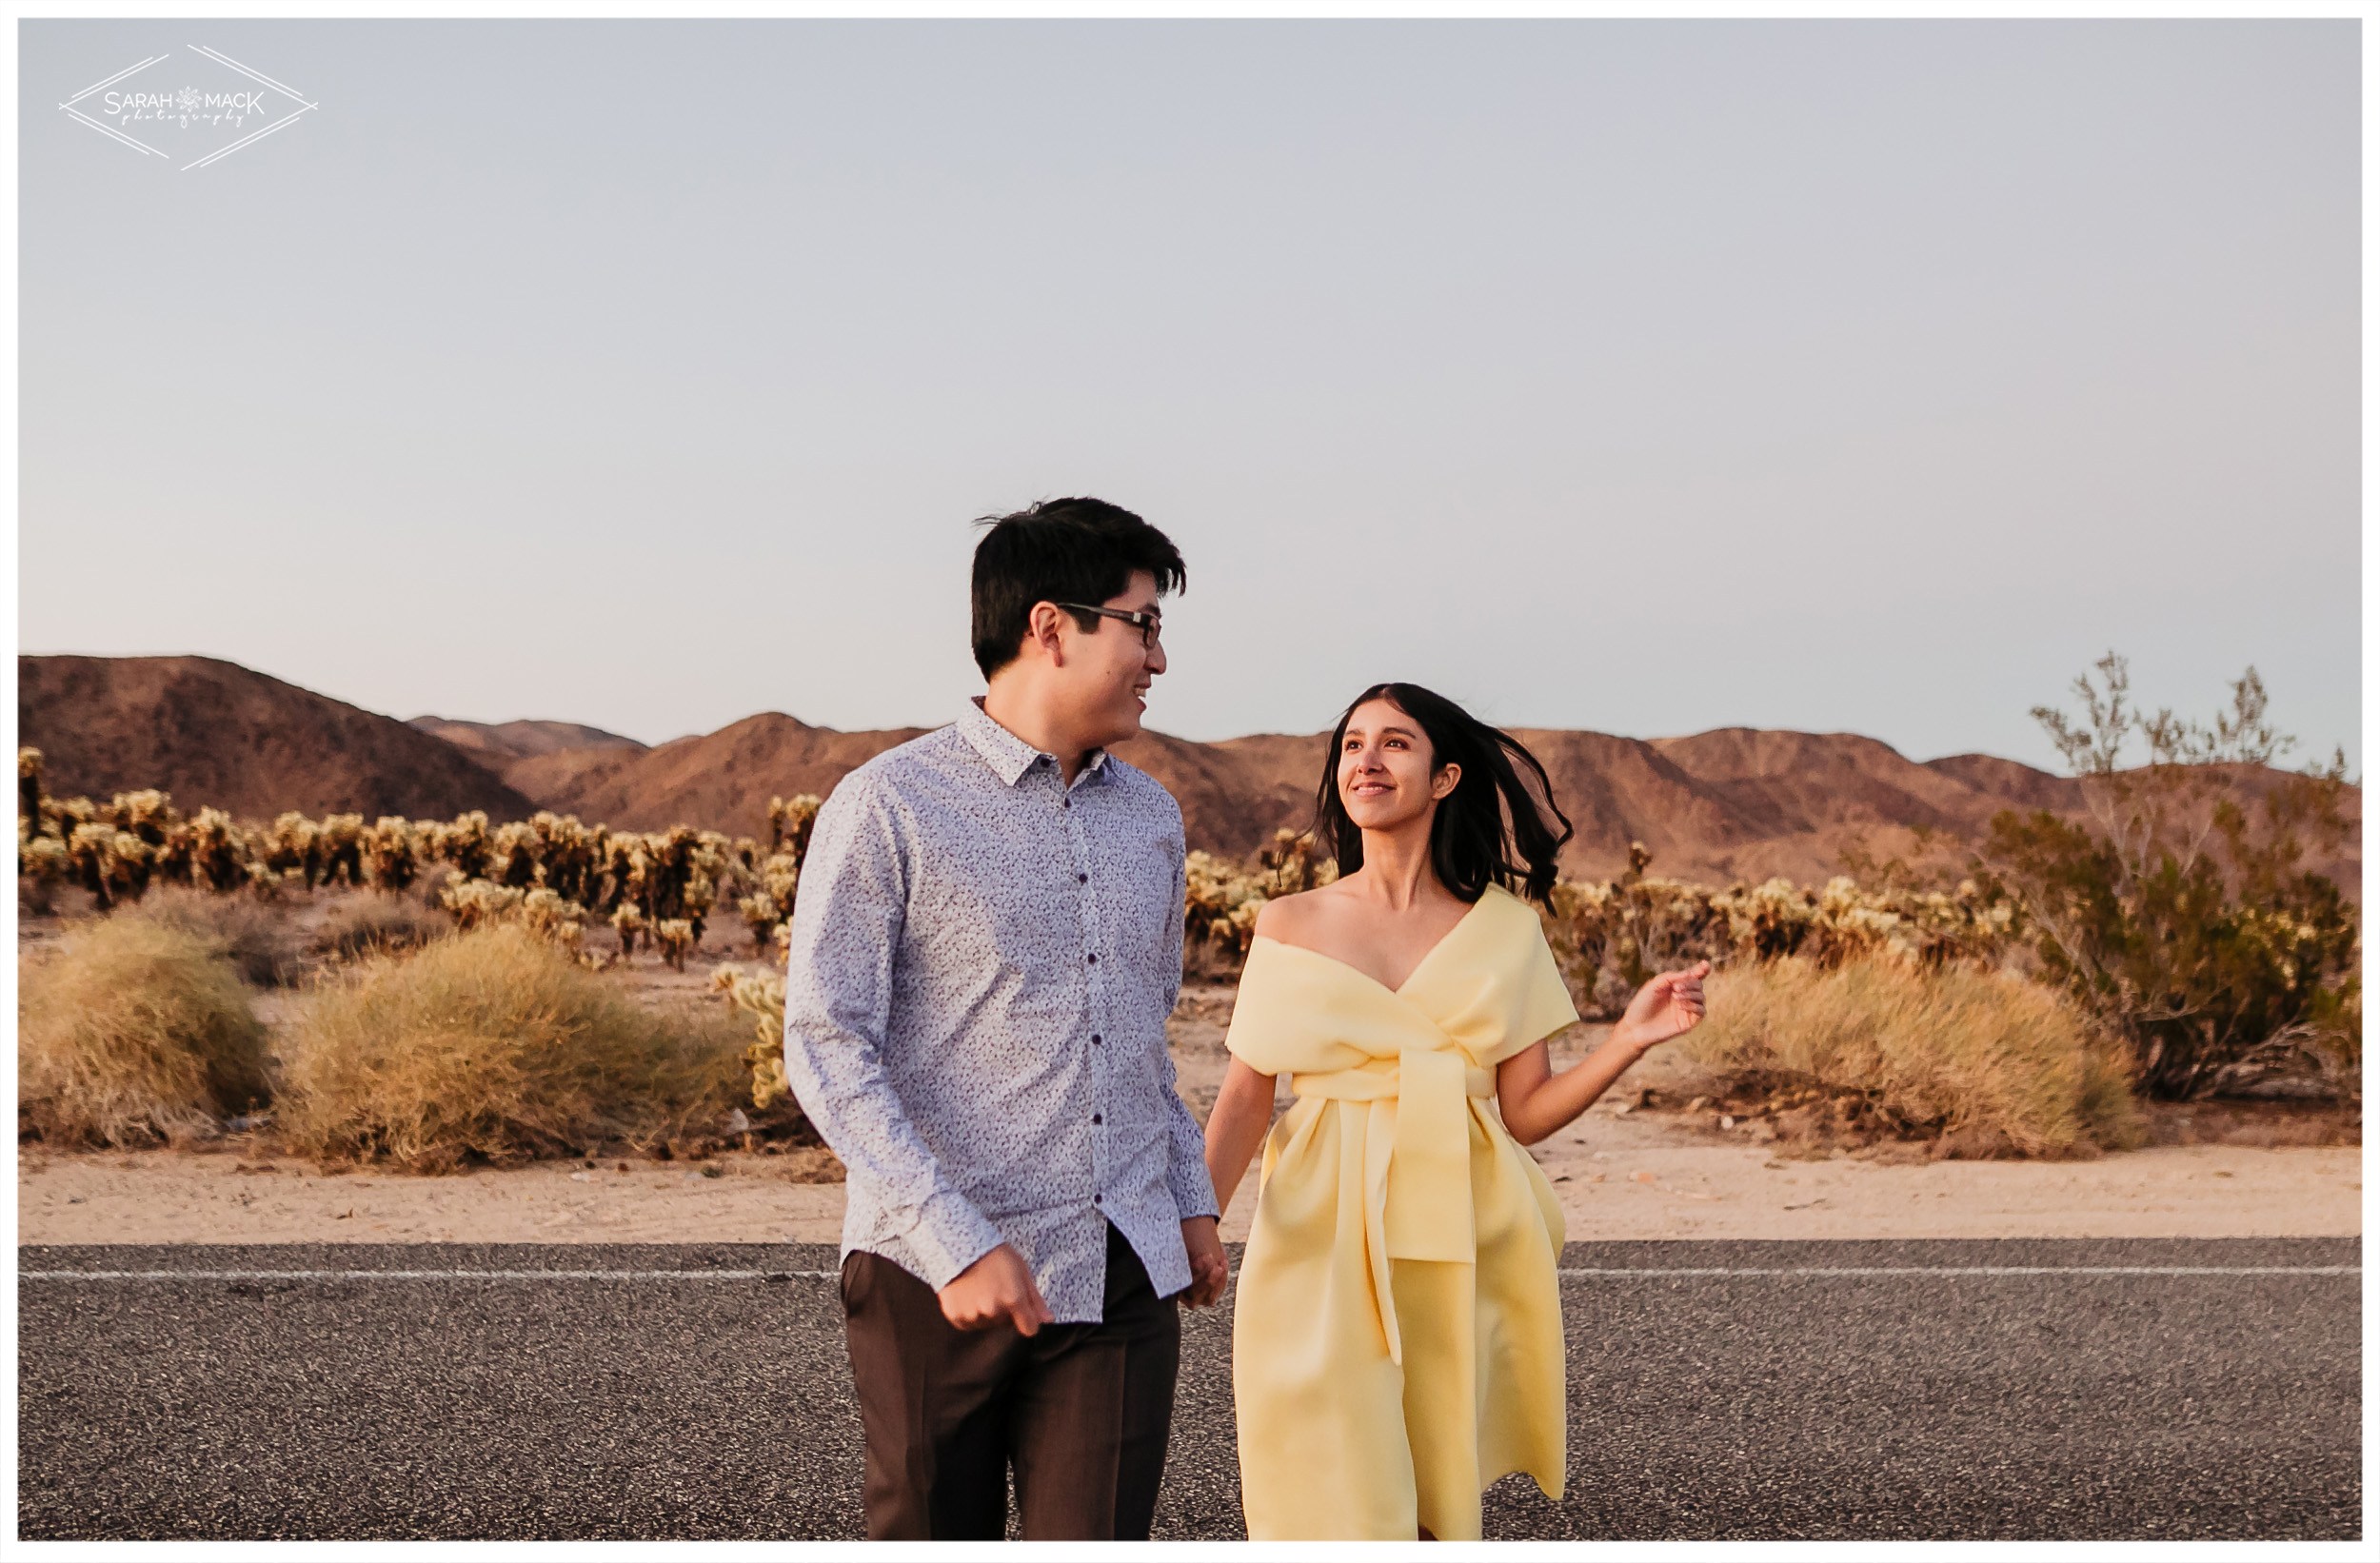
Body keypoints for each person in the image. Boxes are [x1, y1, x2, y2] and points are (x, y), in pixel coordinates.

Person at [780, 497, 1230, 1541]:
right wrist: (956, 1239)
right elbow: (825, 1043)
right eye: (1143, 624)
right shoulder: (888, 804)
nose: (1158, 659)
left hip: (1120, 1261)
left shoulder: (1152, 818)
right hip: (930, 1275)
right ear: (1049, 626)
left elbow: (1139, 1036)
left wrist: (1189, 1202)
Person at [1201, 682, 1711, 1541]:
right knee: (1321, 1461)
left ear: (1443, 778)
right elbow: (1247, 1096)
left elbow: (1528, 1112)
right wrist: (1197, 1225)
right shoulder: (1288, 922)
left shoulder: (1505, 929)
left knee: (1435, 1478)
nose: (1366, 760)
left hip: (1461, 1228)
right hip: (1319, 1226)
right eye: (1352, 744)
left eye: (1395, 743)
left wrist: (1629, 1039)